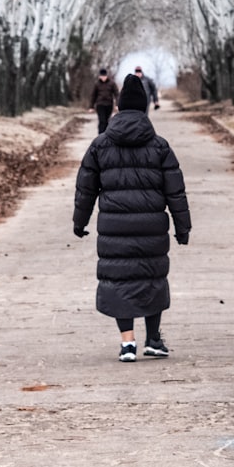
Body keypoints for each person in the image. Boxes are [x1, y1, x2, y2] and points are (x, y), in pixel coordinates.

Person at [73, 74, 191, 362]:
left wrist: (80, 221)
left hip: (114, 228)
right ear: (144, 107)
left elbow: (85, 187)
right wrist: (182, 227)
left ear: (118, 107)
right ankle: (153, 339)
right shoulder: (160, 146)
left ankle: (128, 343)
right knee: (151, 277)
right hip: (152, 227)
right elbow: (175, 190)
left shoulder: (101, 144)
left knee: (119, 279)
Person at [87, 68, 119, 134]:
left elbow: (116, 94)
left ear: (106, 76)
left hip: (109, 104)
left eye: (104, 76)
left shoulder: (112, 83)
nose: (103, 78)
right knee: (102, 121)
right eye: (102, 76)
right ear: (99, 76)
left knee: (107, 121)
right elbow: (93, 95)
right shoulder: (97, 84)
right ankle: (100, 136)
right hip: (100, 104)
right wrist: (91, 107)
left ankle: (106, 135)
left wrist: (117, 104)